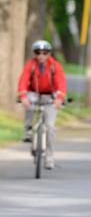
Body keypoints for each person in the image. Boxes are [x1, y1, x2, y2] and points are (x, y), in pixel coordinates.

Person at [17, 39, 67, 169]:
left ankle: (49, 156)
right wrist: (23, 96)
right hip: (35, 92)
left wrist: (59, 98)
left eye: (45, 53)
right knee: (29, 104)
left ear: (49, 54)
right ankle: (28, 130)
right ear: (34, 53)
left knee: (50, 126)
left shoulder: (55, 66)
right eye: (38, 52)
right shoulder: (31, 65)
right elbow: (23, 80)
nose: (41, 56)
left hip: (50, 95)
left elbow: (61, 83)